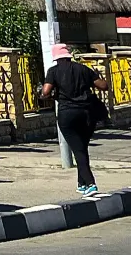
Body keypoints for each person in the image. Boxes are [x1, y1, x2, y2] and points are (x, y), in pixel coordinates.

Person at [39, 43, 109, 195]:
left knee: (78, 149)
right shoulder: (82, 69)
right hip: (87, 113)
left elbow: (45, 91)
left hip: (67, 114)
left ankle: (90, 184)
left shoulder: (54, 71)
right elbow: (103, 86)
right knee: (81, 148)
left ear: (56, 58)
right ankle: (81, 183)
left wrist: (46, 95)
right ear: (68, 56)